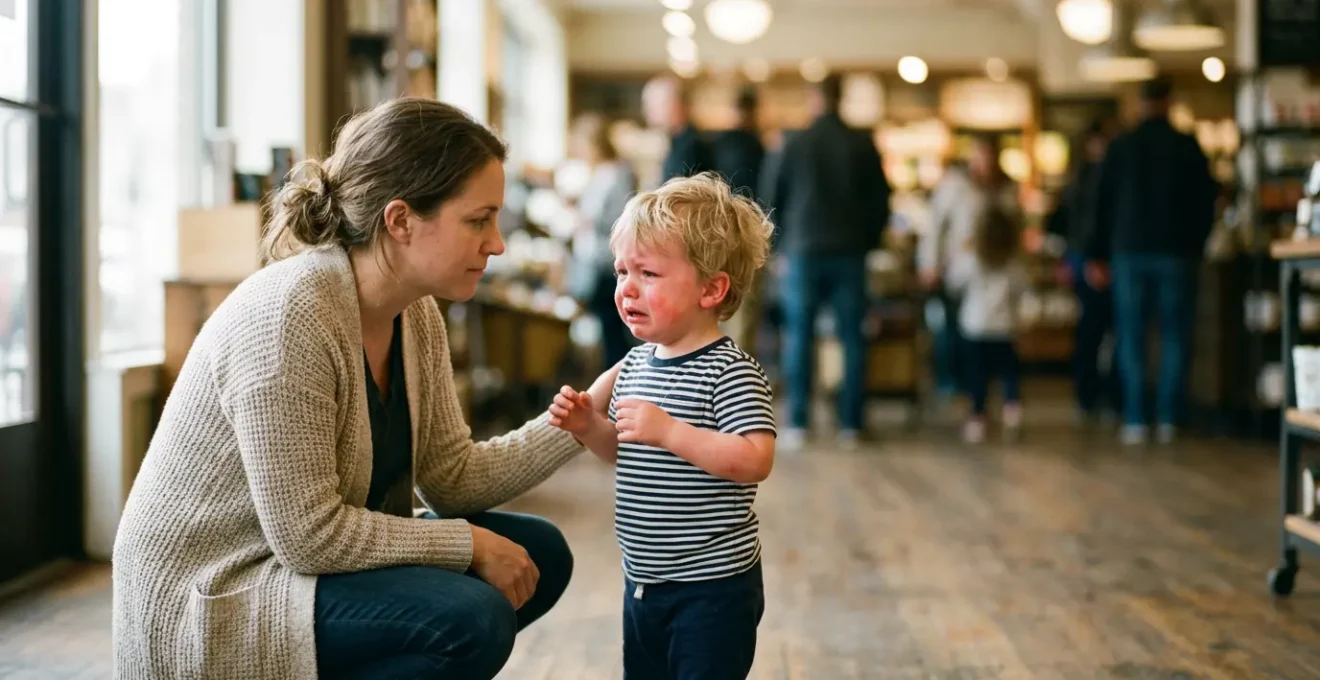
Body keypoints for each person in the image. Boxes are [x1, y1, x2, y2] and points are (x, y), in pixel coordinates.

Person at [112, 98, 603, 680]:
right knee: (468, 618)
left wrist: (580, 417)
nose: (496, 244)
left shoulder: (414, 314)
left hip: (300, 567)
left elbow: (451, 477)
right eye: (479, 219)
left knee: (538, 554)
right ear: (399, 221)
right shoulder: (289, 315)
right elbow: (309, 536)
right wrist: (466, 544)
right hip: (223, 590)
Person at [547, 173, 777, 679]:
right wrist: (589, 427)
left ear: (712, 289)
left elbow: (755, 459)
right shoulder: (633, 365)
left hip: (713, 586)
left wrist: (672, 431)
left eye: (647, 273)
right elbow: (623, 451)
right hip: (644, 582)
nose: (626, 288)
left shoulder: (729, 369)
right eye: (620, 271)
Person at [1084, 77, 1217, 445]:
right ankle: (1170, 417)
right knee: (1175, 336)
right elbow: (1207, 202)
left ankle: (1136, 417)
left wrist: (1097, 253)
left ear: (1139, 103)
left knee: (1131, 336)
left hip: (1129, 252)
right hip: (1176, 253)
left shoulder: (1121, 146)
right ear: (1170, 101)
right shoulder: (1186, 146)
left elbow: (1102, 203)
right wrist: (1197, 244)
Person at [764, 72, 891, 451]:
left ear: (814, 99)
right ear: (842, 98)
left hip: (802, 251)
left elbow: (772, 197)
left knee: (799, 335)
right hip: (850, 251)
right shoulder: (861, 143)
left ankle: (798, 422)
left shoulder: (794, 142)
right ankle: (851, 423)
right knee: (852, 337)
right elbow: (881, 202)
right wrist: (867, 243)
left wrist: (780, 248)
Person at [919, 137, 1021, 402]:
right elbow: (935, 227)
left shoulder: (1007, 190)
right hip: (960, 272)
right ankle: (956, 384)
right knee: (954, 333)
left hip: (997, 272)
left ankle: (986, 393)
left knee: (993, 337)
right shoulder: (955, 185)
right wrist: (930, 264)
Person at [1047, 120, 1120, 423]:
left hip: (1092, 258)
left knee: (1097, 332)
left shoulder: (1086, 178)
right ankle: (1093, 395)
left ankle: (1093, 395)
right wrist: (1089, 259)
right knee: (1095, 331)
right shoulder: (1091, 178)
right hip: (1093, 260)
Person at [948, 198, 1028, 443]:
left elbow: (953, 282)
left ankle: (977, 417)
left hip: (976, 327)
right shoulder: (1014, 264)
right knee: (1008, 372)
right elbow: (1025, 291)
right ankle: (1012, 409)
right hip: (1005, 327)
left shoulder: (971, 261)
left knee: (977, 376)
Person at [568, 112, 638, 369]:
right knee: (608, 329)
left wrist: (583, 217)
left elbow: (618, 218)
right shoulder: (599, 173)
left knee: (613, 330)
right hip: (593, 259)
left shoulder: (615, 174)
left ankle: (619, 381)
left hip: (605, 262)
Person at [643, 74, 714, 183]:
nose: (648, 111)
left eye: (655, 105)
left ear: (677, 105)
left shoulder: (692, 147)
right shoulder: (672, 142)